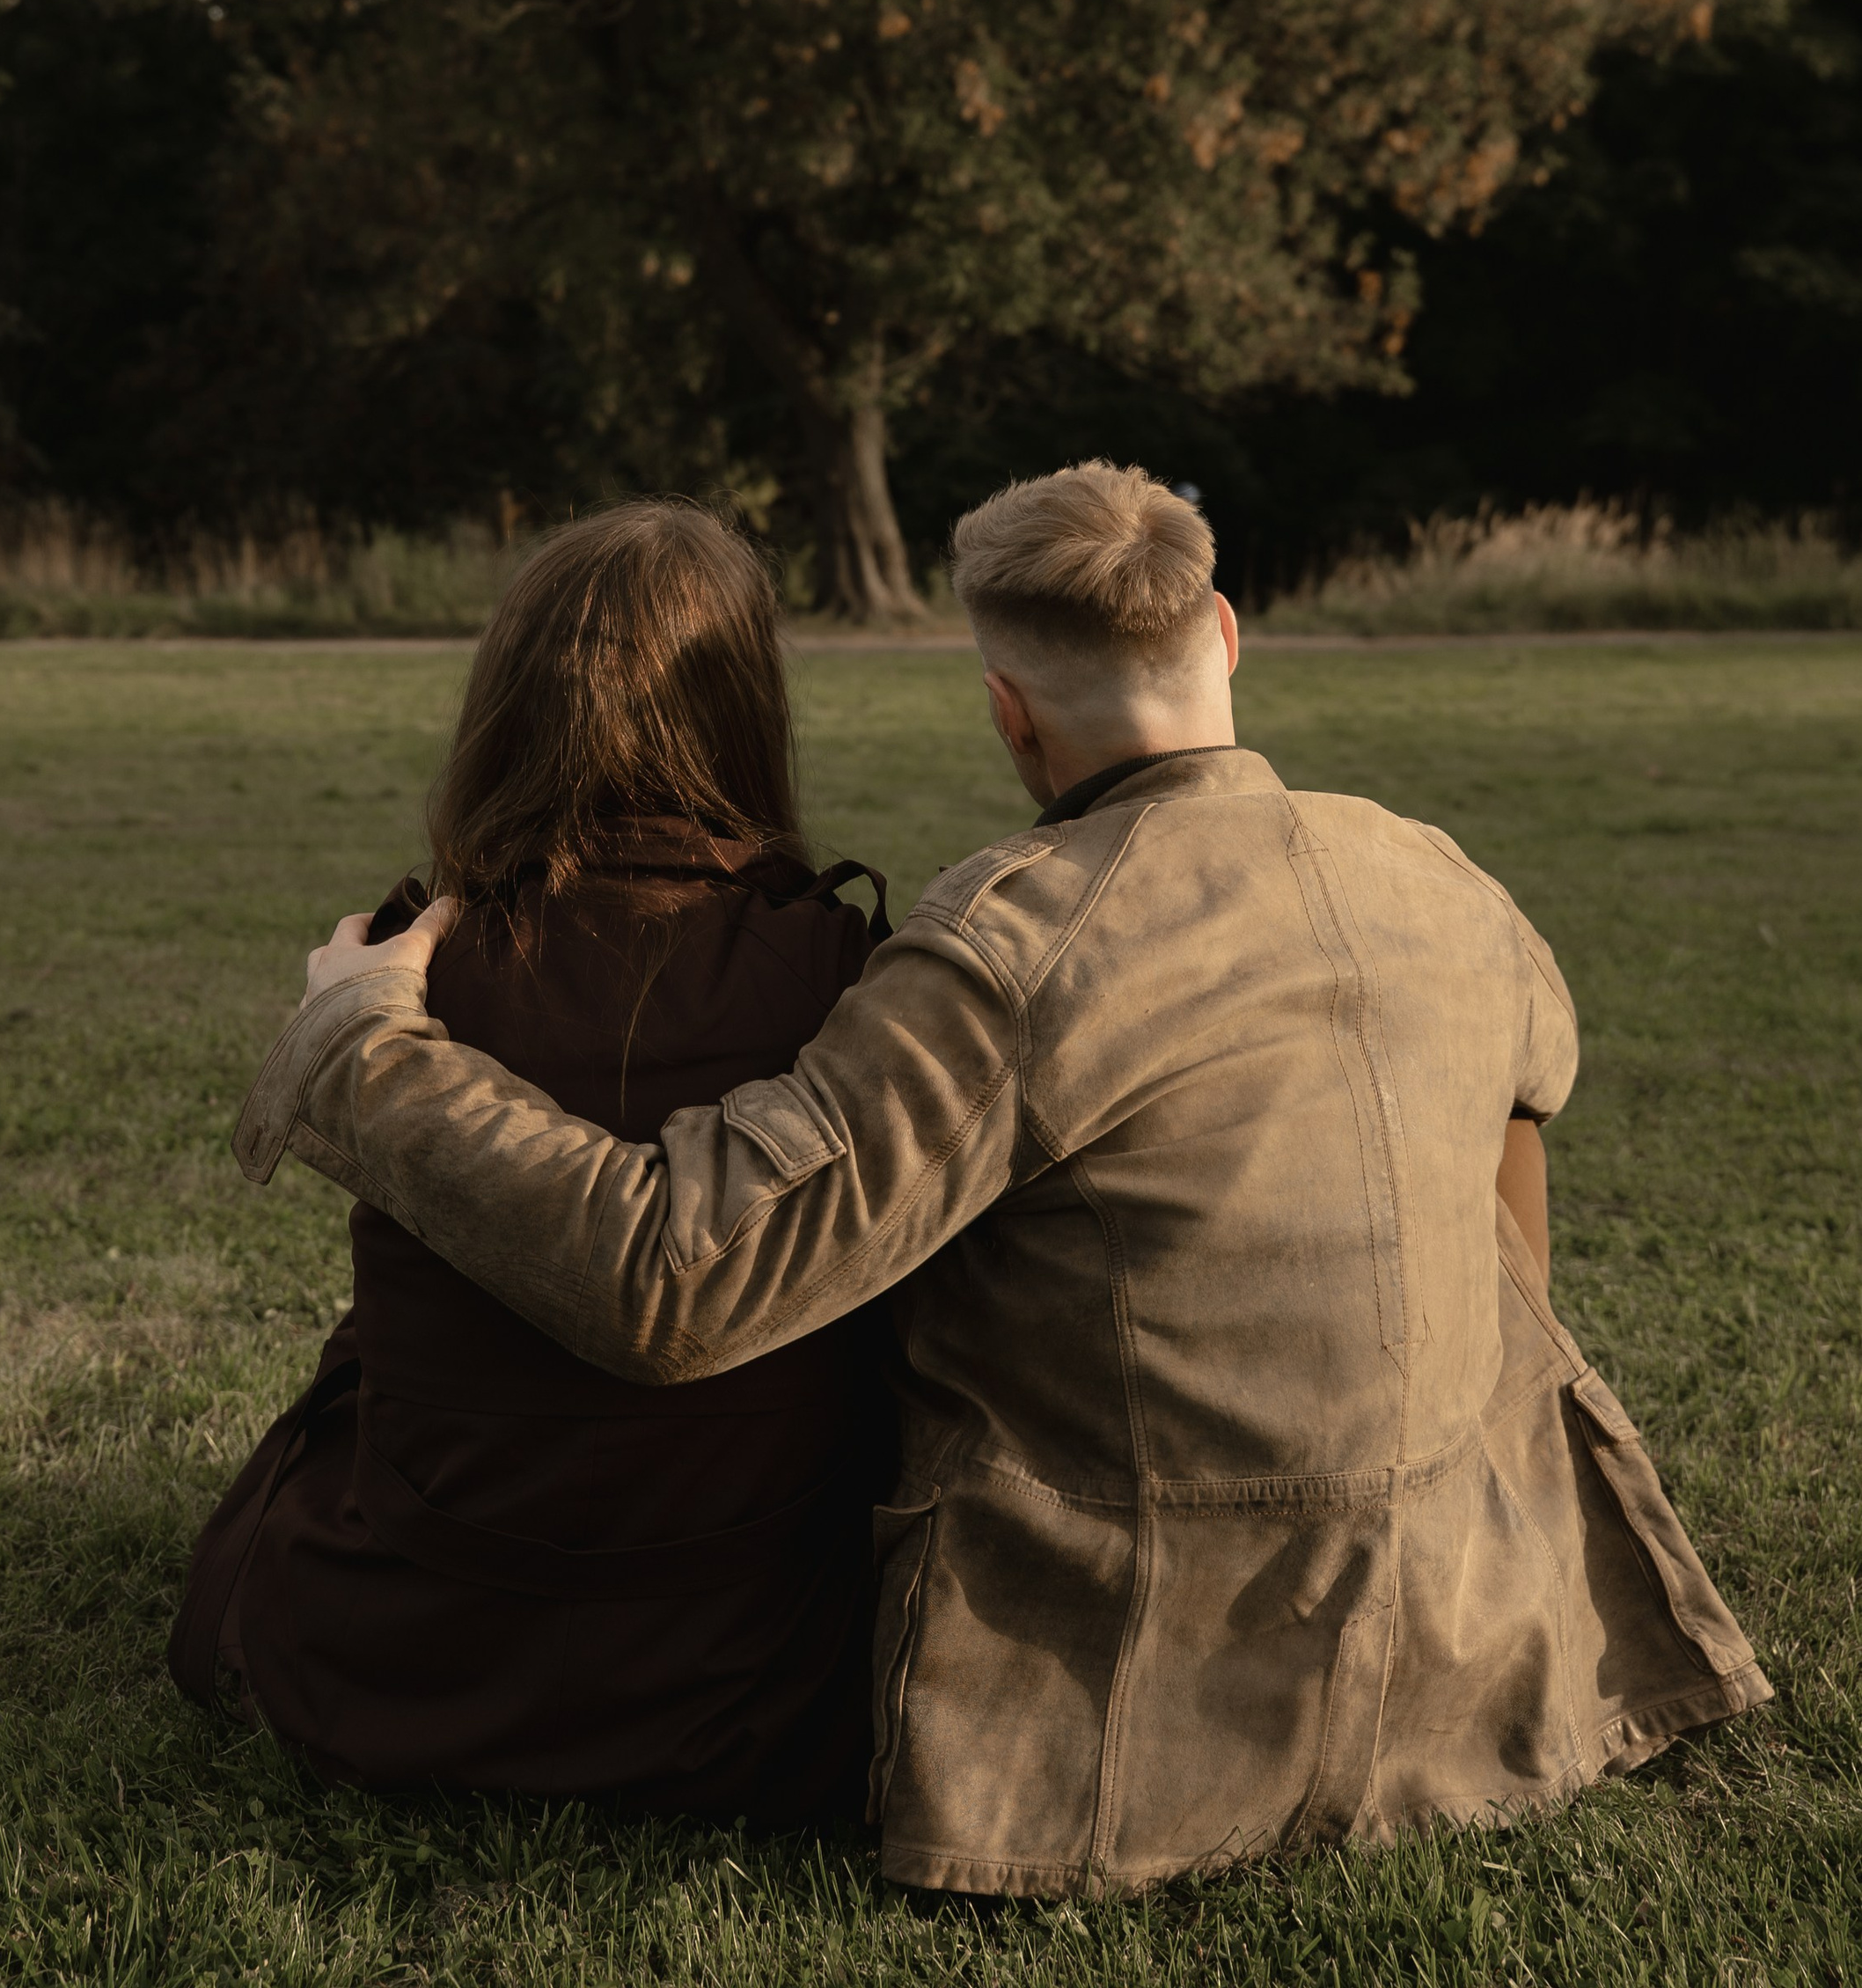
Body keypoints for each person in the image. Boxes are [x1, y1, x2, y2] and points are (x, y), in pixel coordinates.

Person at [231, 459, 1770, 1898]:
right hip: (1480, 1641)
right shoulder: (1443, 874)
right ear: (1229, 634)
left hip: (1155, 1713)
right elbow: (1526, 1115)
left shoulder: (1013, 948)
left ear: (1009, 716)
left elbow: (679, 1282)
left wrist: (363, 1049)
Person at [171, 503, 891, 1820]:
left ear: (510, 703)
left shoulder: (410, 961)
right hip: (759, 1692)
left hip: (401, 1674)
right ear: (747, 709)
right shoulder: (846, 969)